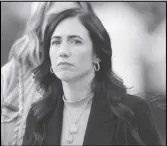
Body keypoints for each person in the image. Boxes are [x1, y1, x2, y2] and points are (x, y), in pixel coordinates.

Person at [22, 8, 162, 146]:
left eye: (76, 41)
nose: (63, 52)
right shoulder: (39, 115)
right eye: (56, 42)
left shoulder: (131, 112)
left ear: (97, 55)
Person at [1, 2, 94, 145]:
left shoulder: (103, 88)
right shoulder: (10, 78)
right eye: (54, 19)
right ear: (40, 26)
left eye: (72, 18)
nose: (62, 28)